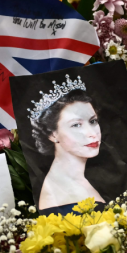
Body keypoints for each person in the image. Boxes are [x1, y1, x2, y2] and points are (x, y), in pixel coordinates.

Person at [30, 75, 106, 210]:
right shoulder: (60, 193)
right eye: (76, 125)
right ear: (53, 134)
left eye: (93, 121)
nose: (92, 133)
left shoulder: (74, 180)